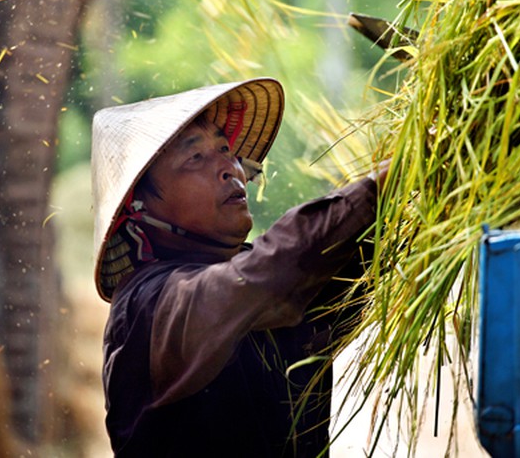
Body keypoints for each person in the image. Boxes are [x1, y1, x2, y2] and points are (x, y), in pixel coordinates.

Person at [91, 77, 388, 457]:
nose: (231, 169)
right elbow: (266, 277)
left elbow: (356, 263)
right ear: (138, 208)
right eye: (195, 157)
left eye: (225, 149)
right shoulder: (150, 307)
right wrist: (374, 189)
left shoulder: (267, 282)